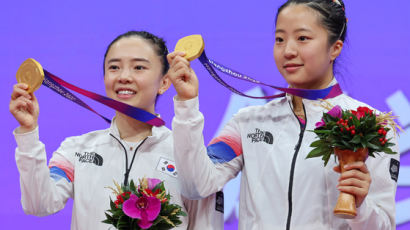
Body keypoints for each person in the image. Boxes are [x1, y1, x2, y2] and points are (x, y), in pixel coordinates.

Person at [167, 0, 400, 229]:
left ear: (334, 48)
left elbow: (383, 226)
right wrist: (187, 104)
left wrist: (360, 207)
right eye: (280, 39)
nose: (288, 50)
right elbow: (197, 184)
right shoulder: (248, 122)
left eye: (302, 38)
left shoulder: (370, 125)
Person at [9, 31, 223, 230]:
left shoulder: (190, 160)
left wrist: (187, 104)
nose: (124, 77)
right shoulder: (76, 150)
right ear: (104, 79)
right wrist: (28, 132)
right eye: (114, 67)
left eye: (139, 67)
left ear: (165, 82)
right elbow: (39, 204)